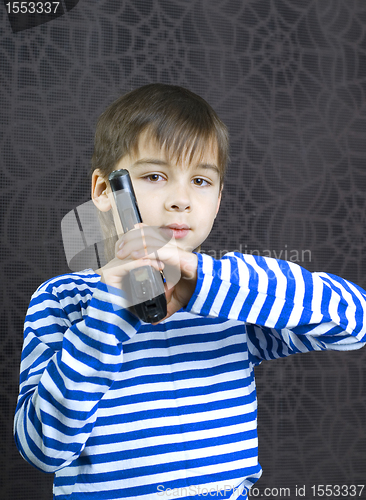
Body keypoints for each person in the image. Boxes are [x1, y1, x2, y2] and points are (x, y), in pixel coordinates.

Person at [14, 83, 366, 500]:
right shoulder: (65, 300)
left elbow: (353, 321)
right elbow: (42, 450)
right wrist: (106, 316)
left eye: (200, 180)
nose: (181, 200)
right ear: (105, 192)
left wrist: (206, 278)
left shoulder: (233, 293)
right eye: (155, 176)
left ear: (218, 199)